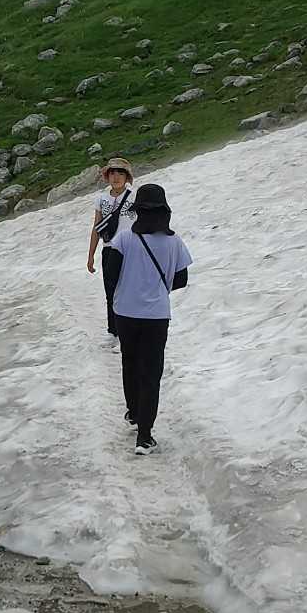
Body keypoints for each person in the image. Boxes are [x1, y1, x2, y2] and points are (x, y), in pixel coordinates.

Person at [109, 183, 192, 455]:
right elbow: (181, 279)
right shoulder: (174, 242)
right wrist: (157, 287)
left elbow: (110, 275)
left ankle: (134, 412)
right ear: (164, 211)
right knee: (151, 372)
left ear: (139, 211)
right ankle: (144, 437)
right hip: (156, 316)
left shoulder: (124, 239)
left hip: (125, 312)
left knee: (130, 363)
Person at [83, 157, 135, 339]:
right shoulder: (101, 199)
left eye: (120, 173)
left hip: (130, 250)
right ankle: (114, 331)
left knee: (130, 290)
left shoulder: (135, 197)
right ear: (107, 176)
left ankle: (131, 328)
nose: (116, 177)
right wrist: (90, 256)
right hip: (109, 250)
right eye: (112, 173)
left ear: (127, 177)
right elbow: (96, 228)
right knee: (111, 293)